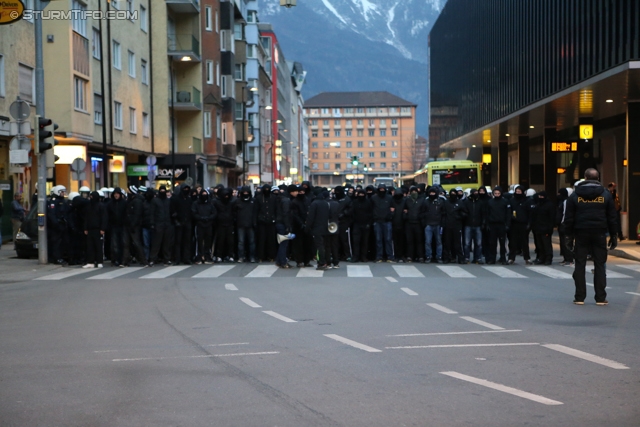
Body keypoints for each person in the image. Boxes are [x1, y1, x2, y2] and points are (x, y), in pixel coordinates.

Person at [564, 169, 618, 305]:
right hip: (599, 232)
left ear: (585, 177)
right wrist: (614, 235)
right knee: (600, 264)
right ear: (598, 178)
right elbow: (612, 217)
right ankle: (600, 297)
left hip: (581, 232)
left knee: (580, 264)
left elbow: (569, 218)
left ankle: (579, 297)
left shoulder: (575, 195)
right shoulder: (605, 194)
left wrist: (568, 236)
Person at [484, 186, 511, 265]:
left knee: (502, 243)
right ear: (493, 194)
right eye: (495, 193)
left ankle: (503, 258)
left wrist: (507, 224)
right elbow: (487, 214)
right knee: (492, 243)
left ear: (501, 193)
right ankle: (492, 259)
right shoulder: (490, 202)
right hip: (492, 225)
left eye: (498, 193)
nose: (497, 194)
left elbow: (508, 214)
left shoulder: (505, 201)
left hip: (502, 225)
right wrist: (487, 224)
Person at [508, 186, 533, 265]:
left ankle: (527, 258)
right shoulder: (512, 200)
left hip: (523, 223)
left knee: (524, 242)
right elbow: (509, 211)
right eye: (517, 191)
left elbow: (530, 213)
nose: (518, 192)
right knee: (513, 242)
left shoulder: (527, 201)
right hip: (514, 224)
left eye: (519, 191)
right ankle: (511, 258)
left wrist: (529, 223)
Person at [306, 190, 331, 270]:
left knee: (319, 246)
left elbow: (311, 217)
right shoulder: (326, 203)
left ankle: (321, 263)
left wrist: (307, 227)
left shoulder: (314, 204)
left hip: (316, 228)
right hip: (325, 227)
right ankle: (326, 261)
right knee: (324, 245)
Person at [82, 191, 107, 268]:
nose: (91, 198)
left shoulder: (101, 206)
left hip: (98, 229)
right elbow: (86, 218)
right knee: (90, 246)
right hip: (90, 229)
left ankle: (99, 261)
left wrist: (103, 228)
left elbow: (104, 218)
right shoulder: (88, 206)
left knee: (98, 246)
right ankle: (91, 262)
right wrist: (85, 228)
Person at [149, 185, 173, 266]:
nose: (162, 192)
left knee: (166, 243)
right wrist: (152, 223)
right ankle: (153, 258)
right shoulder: (155, 200)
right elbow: (152, 213)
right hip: (158, 223)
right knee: (156, 243)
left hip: (167, 223)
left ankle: (167, 258)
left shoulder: (168, 201)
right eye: (161, 190)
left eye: (164, 190)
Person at [371, 184, 394, 262]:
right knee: (378, 240)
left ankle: (389, 256)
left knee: (388, 239)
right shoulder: (373, 198)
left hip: (387, 221)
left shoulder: (390, 198)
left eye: (383, 189)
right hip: (377, 221)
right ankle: (379, 256)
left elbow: (393, 208)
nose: (381, 190)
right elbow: (371, 209)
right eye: (380, 189)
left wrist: (390, 216)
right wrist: (374, 217)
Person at [192, 189, 217, 264]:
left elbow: (214, 213)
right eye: (203, 194)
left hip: (208, 224)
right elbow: (194, 213)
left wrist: (209, 218)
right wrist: (201, 218)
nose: (204, 195)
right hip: (199, 224)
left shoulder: (210, 203)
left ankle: (207, 256)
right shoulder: (196, 203)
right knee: (199, 241)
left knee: (208, 241)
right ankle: (199, 256)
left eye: (205, 194)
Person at [531, 191, 555, 265]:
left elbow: (552, 218)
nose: (540, 198)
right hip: (538, 228)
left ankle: (548, 259)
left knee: (546, 245)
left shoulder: (549, 205)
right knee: (540, 245)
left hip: (546, 228)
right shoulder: (538, 205)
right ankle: (541, 258)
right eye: (539, 196)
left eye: (542, 196)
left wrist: (550, 228)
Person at [421, 187, 445, 263]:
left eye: (433, 193)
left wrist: (442, 223)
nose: (432, 194)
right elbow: (422, 212)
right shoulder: (425, 201)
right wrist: (424, 223)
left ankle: (439, 257)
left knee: (438, 242)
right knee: (428, 242)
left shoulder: (440, 201)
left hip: (438, 224)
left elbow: (443, 213)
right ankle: (428, 256)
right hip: (428, 224)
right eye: (431, 193)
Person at [106, 187, 127, 267]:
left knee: (123, 243)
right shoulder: (110, 204)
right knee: (115, 244)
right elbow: (108, 215)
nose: (116, 195)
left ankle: (122, 260)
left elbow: (126, 214)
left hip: (122, 226)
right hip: (114, 226)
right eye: (115, 194)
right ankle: (116, 259)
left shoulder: (124, 203)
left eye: (117, 194)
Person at [351, 189, 373, 263]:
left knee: (365, 242)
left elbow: (371, 214)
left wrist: (369, 224)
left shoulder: (368, 202)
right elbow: (352, 213)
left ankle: (363, 256)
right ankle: (356, 256)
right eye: (359, 194)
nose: (361, 196)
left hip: (366, 224)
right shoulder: (354, 202)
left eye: (362, 194)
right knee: (356, 241)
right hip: (356, 224)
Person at [463, 188, 484, 264]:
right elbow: (463, 211)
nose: (476, 194)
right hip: (468, 224)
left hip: (478, 225)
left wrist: (483, 223)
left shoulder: (480, 202)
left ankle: (478, 258)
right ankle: (466, 258)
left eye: (476, 192)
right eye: (474, 192)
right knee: (467, 243)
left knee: (478, 244)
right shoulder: (466, 202)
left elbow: (483, 213)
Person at [274, 185, 293, 268]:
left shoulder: (280, 199)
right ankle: (283, 262)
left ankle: (279, 260)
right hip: (283, 223)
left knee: (282, 243)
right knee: (284, 244)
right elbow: (286, 214)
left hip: (278, 222)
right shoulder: (286, 200)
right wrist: (288, 226)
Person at [404, 186, 425, 263]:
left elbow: (424, 211)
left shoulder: (421, 200)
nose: (414, 193)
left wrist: (420, 217)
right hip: (409, 223)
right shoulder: (407, 200)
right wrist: (406, 215)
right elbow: (404, 210)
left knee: (419, 241)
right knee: (410, 241)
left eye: (415, 191)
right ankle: (410, 256)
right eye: (412, 191)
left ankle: (420, 256)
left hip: (418, 223)